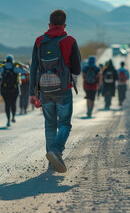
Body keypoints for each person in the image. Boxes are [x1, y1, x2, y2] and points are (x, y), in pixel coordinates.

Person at [29, 9, 81, 173]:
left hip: (44, 90)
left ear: (49, 24)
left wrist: (32, 92)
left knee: (49, 125)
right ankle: (56, 151)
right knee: (64, 124)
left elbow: (34, 68)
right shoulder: (70, 40)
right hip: (63, 89)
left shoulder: (39, 41)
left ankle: (52, 163)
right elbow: (78, 69)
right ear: (64, 25)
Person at [0, 54, 28, 127]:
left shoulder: (3, 68)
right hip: (14, 90)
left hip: (5, 90)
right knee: (13, 104)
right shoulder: (15, 68)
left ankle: (8, 120)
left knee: (7, 105)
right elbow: (26, 71)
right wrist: (21, 66)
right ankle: (13, 117)